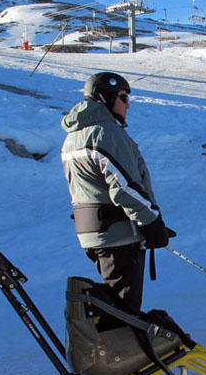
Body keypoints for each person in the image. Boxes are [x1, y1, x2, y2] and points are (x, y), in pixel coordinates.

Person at [61, 72, 171, 315]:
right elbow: (124, 187)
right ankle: (121, 351)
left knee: (114, 301)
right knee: (124, 308)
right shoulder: (105, 132)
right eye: (123, 97)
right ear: (105, 98)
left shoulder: (73, 136)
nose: (128, 104)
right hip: (118, 233)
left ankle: (118, 346)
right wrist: (151, 222)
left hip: (93, 230)